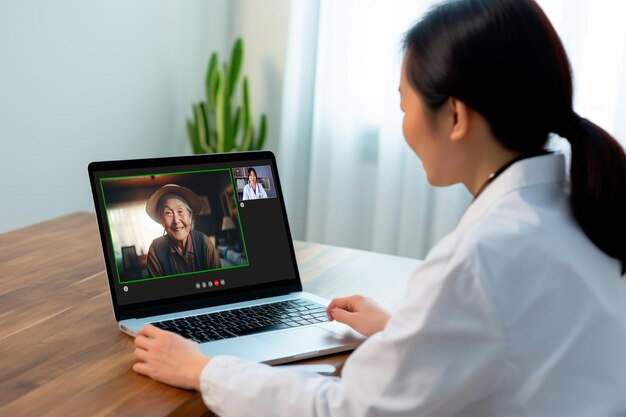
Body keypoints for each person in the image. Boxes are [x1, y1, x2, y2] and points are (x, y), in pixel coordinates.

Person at [132, 1, 626, 415]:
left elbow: (346, 409)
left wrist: (203, 369)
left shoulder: (482, 255)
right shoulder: (583, 200)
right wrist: (405, 332)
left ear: (454, 116)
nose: (403, 119)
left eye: (404, 100)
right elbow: (516, 344)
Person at [145, 184, 221, 277]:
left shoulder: (204, 242)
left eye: (180, 211)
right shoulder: (155, 251)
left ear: (190, 217)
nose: (176, 221)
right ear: (162, 221)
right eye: (168, 213)